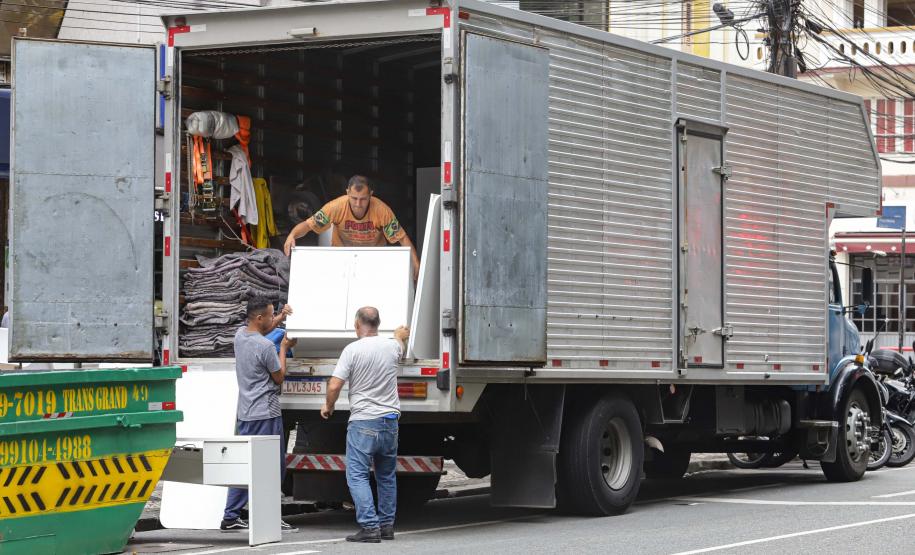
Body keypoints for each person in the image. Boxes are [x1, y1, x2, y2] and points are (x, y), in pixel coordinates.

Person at [321, 307, 409, 543]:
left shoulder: (352, 350)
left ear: (357, 324)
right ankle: (386, 526)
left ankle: (370, 527)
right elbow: (400, 342)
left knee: (357, 476)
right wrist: (400, 335)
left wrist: (328, 407)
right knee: (386, 476)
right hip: (390, 422)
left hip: (363, 422)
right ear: (378, 324)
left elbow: (334, 385)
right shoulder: (391, 346)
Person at [221, 296, 298, 532]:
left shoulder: (240, 336)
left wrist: (280, 319)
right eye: (271, 313)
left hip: (246, 412)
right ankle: (271, 516)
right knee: (273, 466)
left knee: (245, 465)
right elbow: (279, 376)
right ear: (259, 317)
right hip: (266, 413)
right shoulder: (266, 347)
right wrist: (284, 348)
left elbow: (262, 331)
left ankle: (231, 516)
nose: (274, 317)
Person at [283, 175, 420, 281]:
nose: (358, 204)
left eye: (363, 199)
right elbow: (308, 225)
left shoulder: (382, 210)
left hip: (374, 258)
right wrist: (292, 235)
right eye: (354, 198)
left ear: (371, 194)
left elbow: (402, 238)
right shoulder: (335, 207)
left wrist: (416, 263)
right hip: (342, 256)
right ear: (347, 192)